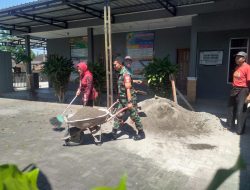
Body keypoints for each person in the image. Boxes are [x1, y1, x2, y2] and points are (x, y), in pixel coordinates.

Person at [112, 57, 145, 140]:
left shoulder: (125, 73)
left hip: (129, 99)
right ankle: (114, 132)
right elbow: (125, 84)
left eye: (115, 64)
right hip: (122, 99)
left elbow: (128, 88)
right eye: (113, 65)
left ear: (120, 64)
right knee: (118, 115)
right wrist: (119, 98)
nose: (114, 66)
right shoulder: (121, 72)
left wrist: (130, 102)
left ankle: (141, 133)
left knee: (134, 115)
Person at [227, 51, 250, 135]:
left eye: (238, 57)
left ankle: (239, 130)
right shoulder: (237, 67)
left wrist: (249, 96)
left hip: (243, 90)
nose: (236, 58)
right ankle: (230, 126)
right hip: (234, 89)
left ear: (244, 59)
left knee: (240, 110)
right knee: (230, 108)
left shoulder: (247, 67)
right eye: (236, 57)